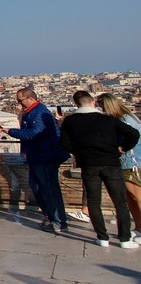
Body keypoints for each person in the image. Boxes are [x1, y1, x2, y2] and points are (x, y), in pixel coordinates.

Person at [60, 91, 139, 248]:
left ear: (76, 104)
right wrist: (121, 149)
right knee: (120, 203)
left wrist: (80, 152)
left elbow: (64, 144)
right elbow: (134, 134)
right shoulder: (107, 119)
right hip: (111, 164)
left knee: (94, 202)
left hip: (89, 165)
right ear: (93, 102)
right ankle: (125, 239)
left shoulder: (70, 121)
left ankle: (102, 238)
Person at [0, 87, 70, 232]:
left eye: (20, 100)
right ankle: (50, 216)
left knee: (48, 188)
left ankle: (59, 221)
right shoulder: (31, 112)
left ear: (30, 98)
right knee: (36, 186)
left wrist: (11, 132)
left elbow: (36, 133)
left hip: (45, 155)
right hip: (37, 155)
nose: (18, 103)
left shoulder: (38, 112)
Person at [97, 93, 141, 242]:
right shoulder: (126, 117)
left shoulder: (125, 120)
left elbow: (133, 138)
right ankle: (139, 228)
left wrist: (120, 148)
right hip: (128, 162)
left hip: (132, 162)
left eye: (102, 107)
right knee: (130, 198)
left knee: (137, 196)